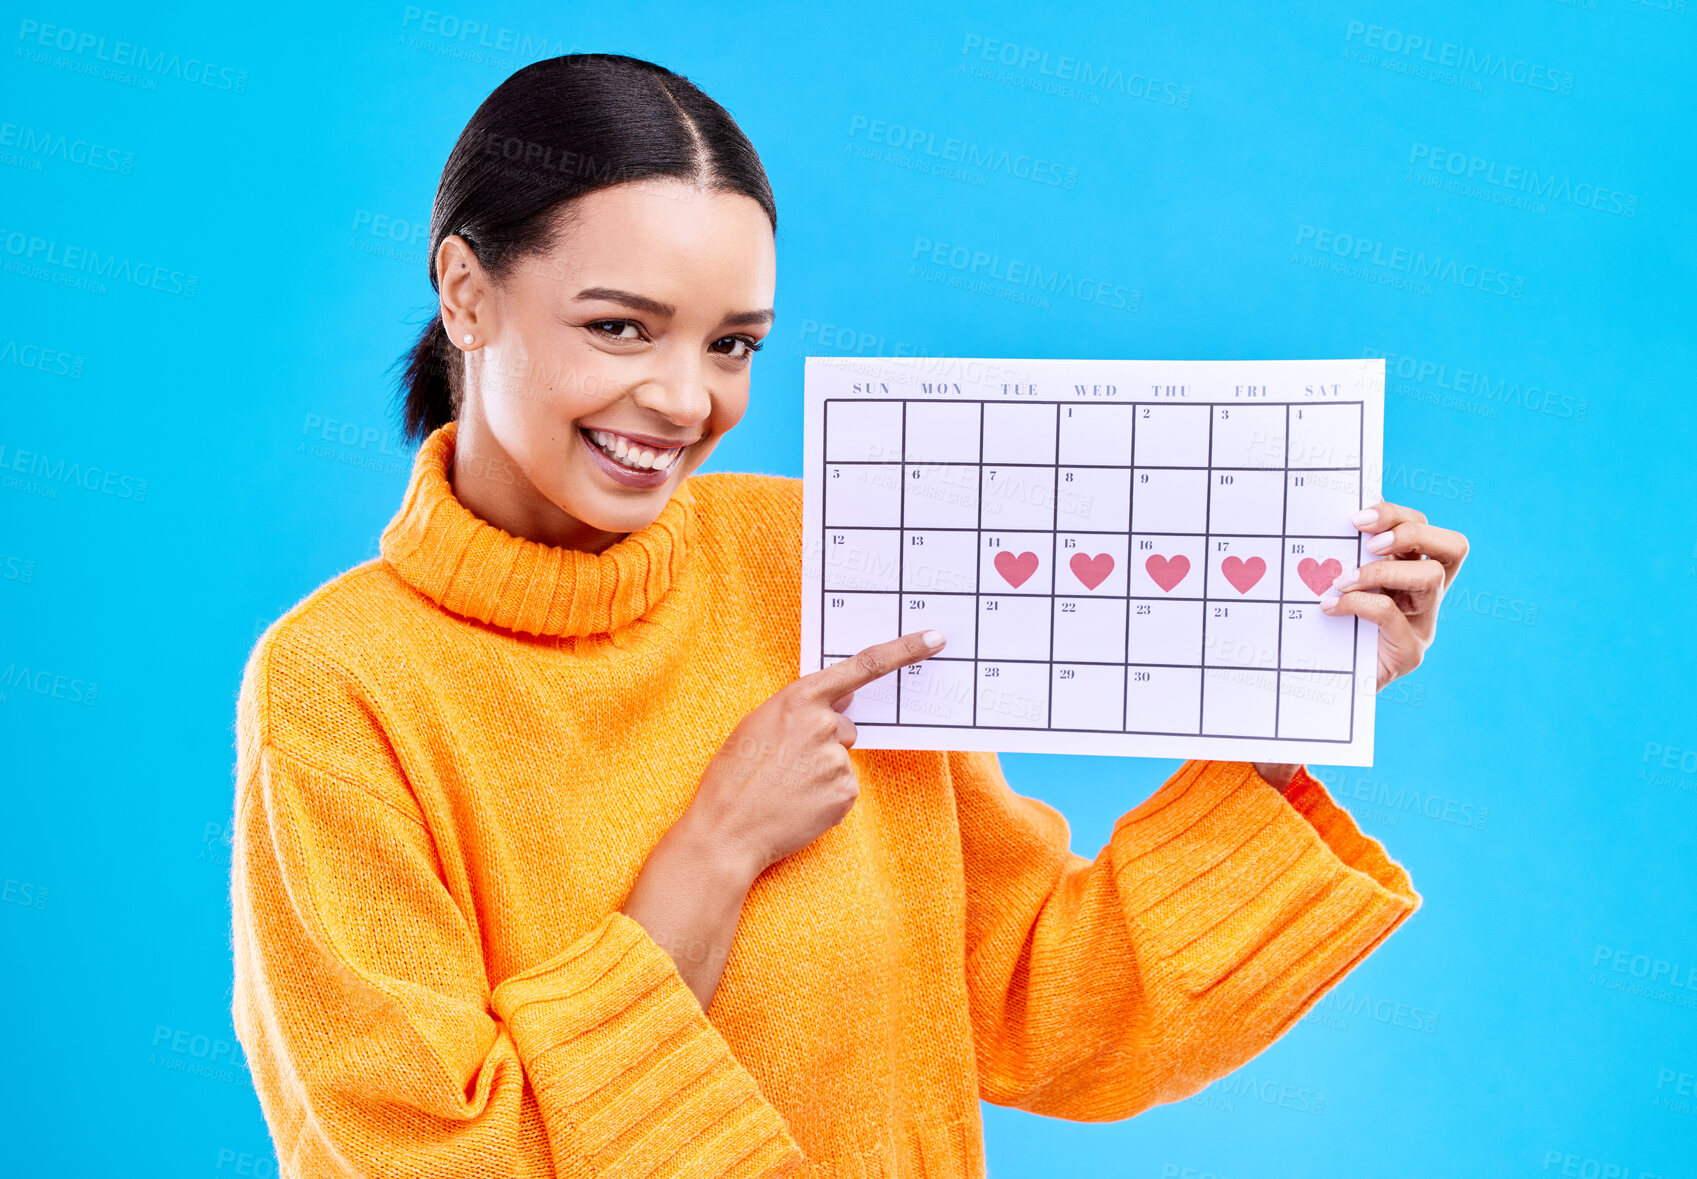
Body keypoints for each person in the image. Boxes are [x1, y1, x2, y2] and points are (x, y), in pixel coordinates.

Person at [230, 52, 1470, 1178]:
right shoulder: (341, 689)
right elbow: (434, 1158)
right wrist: (711, 856)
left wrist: (1287, 696)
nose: (681, 399)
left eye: (731, 344)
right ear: (465, 291)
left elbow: (1045, 1010)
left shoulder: (815, 558)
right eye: (619, 328)